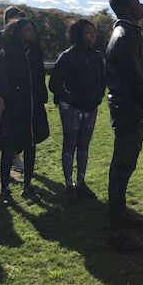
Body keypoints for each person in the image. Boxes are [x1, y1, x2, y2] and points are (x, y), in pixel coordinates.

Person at [105, 0, 143, 253]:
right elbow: (133, 80)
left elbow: (141, 77)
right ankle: (116, 232)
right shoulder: (125, 36)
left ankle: (121, 215)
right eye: (138, 2)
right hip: (129, 112)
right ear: (128, 9)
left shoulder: (130, 34)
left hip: (132, 110)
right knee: (121, 168)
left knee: (125, 167)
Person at [0, 18, 49, 205]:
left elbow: (40, 77)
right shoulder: (7, 54)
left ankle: (27, 186)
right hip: (14, 110)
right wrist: (13, 98)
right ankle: (5, 190)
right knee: (9, 148)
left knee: (31, 146)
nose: (31, 34)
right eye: (27, 30)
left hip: (33, 109)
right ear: (17, 33)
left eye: (33, 30)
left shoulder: (35, 53)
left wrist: (41, 95)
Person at [49, 19, 105, 200]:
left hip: (91, 108)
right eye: (88, 32)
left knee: (84, 146)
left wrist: (97, 98)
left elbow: (102, 80)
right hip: (71, 109)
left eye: (93, 32)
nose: (92, 35)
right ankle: (68, 184)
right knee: (69, 145)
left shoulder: (96, 56)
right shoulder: (67, 56)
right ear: (78, 34)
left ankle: (81, 181)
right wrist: (71, 99)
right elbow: (54, 84)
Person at [0, 6, 26, 176]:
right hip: (2, 90)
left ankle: (15, 156)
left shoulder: (24, 38)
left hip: (20, 91)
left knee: (19, 124)